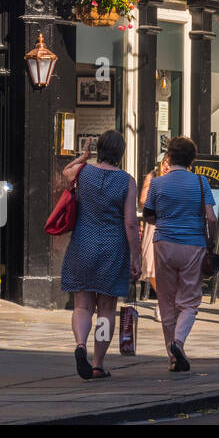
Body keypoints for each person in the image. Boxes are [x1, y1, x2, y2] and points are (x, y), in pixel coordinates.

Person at [60, 130, 139, 382]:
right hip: (112, 249)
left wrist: (83, 158)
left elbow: (65, 174)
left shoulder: (83, 172)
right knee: (106, 310)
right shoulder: (127, 181)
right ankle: (97, 364)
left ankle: (80, 345)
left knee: (82, 305)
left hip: (82, 244)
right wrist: (136, 257)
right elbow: (129, 224)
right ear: (121, 152)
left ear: (99, 149)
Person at [142, 136, 216, 371]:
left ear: (170, 157)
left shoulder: (157, 184)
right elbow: (211, 218)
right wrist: (211, 242)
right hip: (193, 245)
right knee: (190, 301)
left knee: (166, 302)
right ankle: (179, 341)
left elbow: (148, 215)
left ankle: (172, 358)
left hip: (164, 244)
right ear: (192, 159)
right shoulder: (201, 182)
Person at [138, 153, 170, 307]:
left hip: (173, 226)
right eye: (165, 162)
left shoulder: (180, 180)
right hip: (154, 225)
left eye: (170, 164)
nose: (166, 167)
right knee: (150, 264)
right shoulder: (152, 177)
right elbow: (143, 200)